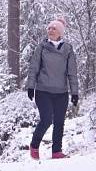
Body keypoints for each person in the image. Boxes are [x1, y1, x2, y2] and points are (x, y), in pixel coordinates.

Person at [26, 17, 79, 159]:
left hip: (61, 92)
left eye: (53, 28)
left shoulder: (68, 49)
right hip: (43, 90)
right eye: (49, 28)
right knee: (46, 119)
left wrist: (75, 92)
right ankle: (34, 144)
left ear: (60, 32)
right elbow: (33, 68)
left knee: (59, 122)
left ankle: (56, 151)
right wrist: (31, 86)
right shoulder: (41, 47)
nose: (50, 30)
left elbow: (72, 72)